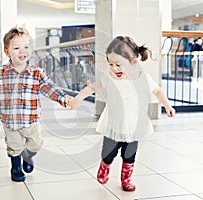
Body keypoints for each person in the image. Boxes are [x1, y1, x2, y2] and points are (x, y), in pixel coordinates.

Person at [68, 36, 175, 192]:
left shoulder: (143, 78)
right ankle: (105, 166)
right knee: (108, 154)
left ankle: (126, 179)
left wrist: (167, 105)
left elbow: (157, 91)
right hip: (114, 124)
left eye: (118, 64)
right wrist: (77, 99)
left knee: (129, 155)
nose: (114, 68)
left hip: (134, 125)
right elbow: (91, 88)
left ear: (133, 62)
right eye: (110, 64)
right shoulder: (109, 78)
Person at [0, 27, 71, 182]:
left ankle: (28, 157)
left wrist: (63, 98)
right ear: (7, 52)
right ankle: (16, 167)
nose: (22, 51)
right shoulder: (0, 73)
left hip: (30, 120)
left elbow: (49, 88)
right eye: (16, 48)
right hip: (9, 121)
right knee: (14, 146)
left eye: (26, 47)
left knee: (36, 144)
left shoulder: (37, 73)